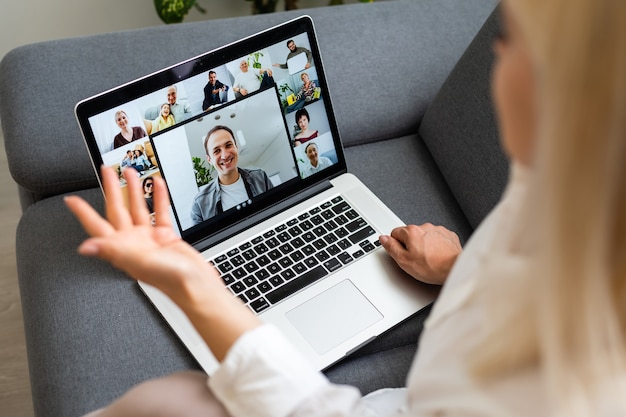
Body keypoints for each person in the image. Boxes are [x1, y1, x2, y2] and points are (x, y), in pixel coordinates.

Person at [65, 0, 626, 415]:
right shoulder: (568, 182)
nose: (495, 51)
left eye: (517, 40)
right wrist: (457, 270)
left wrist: (194, 283)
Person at [189, 125, 273, 224]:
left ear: (236, 147)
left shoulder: (260, 177)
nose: (225, 155)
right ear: (209, 159)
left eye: (228, 145)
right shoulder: (199, 204)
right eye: (216, 151)